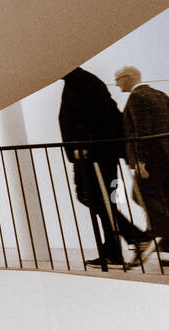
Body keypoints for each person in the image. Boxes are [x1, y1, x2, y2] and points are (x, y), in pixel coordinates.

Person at [58, 67, 147, 268]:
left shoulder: (80, 82)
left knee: (89, 196)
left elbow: (91, 117)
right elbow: (111, 113)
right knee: (106, 201)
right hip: (101, 151)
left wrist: (82, 146)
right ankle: (114, 252)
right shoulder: (83, 81)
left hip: (93, 153)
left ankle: (135, 237)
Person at [116, 66, 169, 265]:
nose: (117, 84)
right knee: (162, 200)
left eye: (118, 79)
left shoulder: (137, 98)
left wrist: (140, 161)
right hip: (166, 158)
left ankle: (156, 234)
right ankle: (165, 251)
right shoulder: (160, 95)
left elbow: (141, 131)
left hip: (151, 161)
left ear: (127, 78)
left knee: (141, 196)